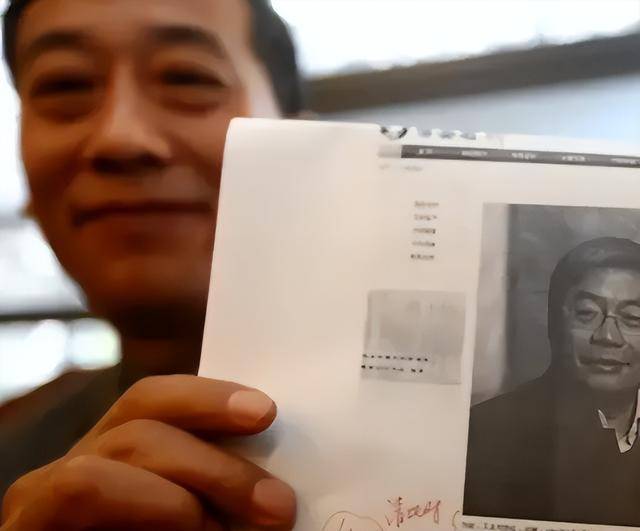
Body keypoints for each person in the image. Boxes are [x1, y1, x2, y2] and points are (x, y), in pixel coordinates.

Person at [0, 0, 303, 528]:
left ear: (309, 149)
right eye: (65, 85)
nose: (120, 138)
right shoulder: (15, 451)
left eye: (187, 77)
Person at [464, 237, 640, 527]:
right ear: (553, 323)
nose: (608, 337)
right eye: (587, 314)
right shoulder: (482, 436)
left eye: (633, 318)